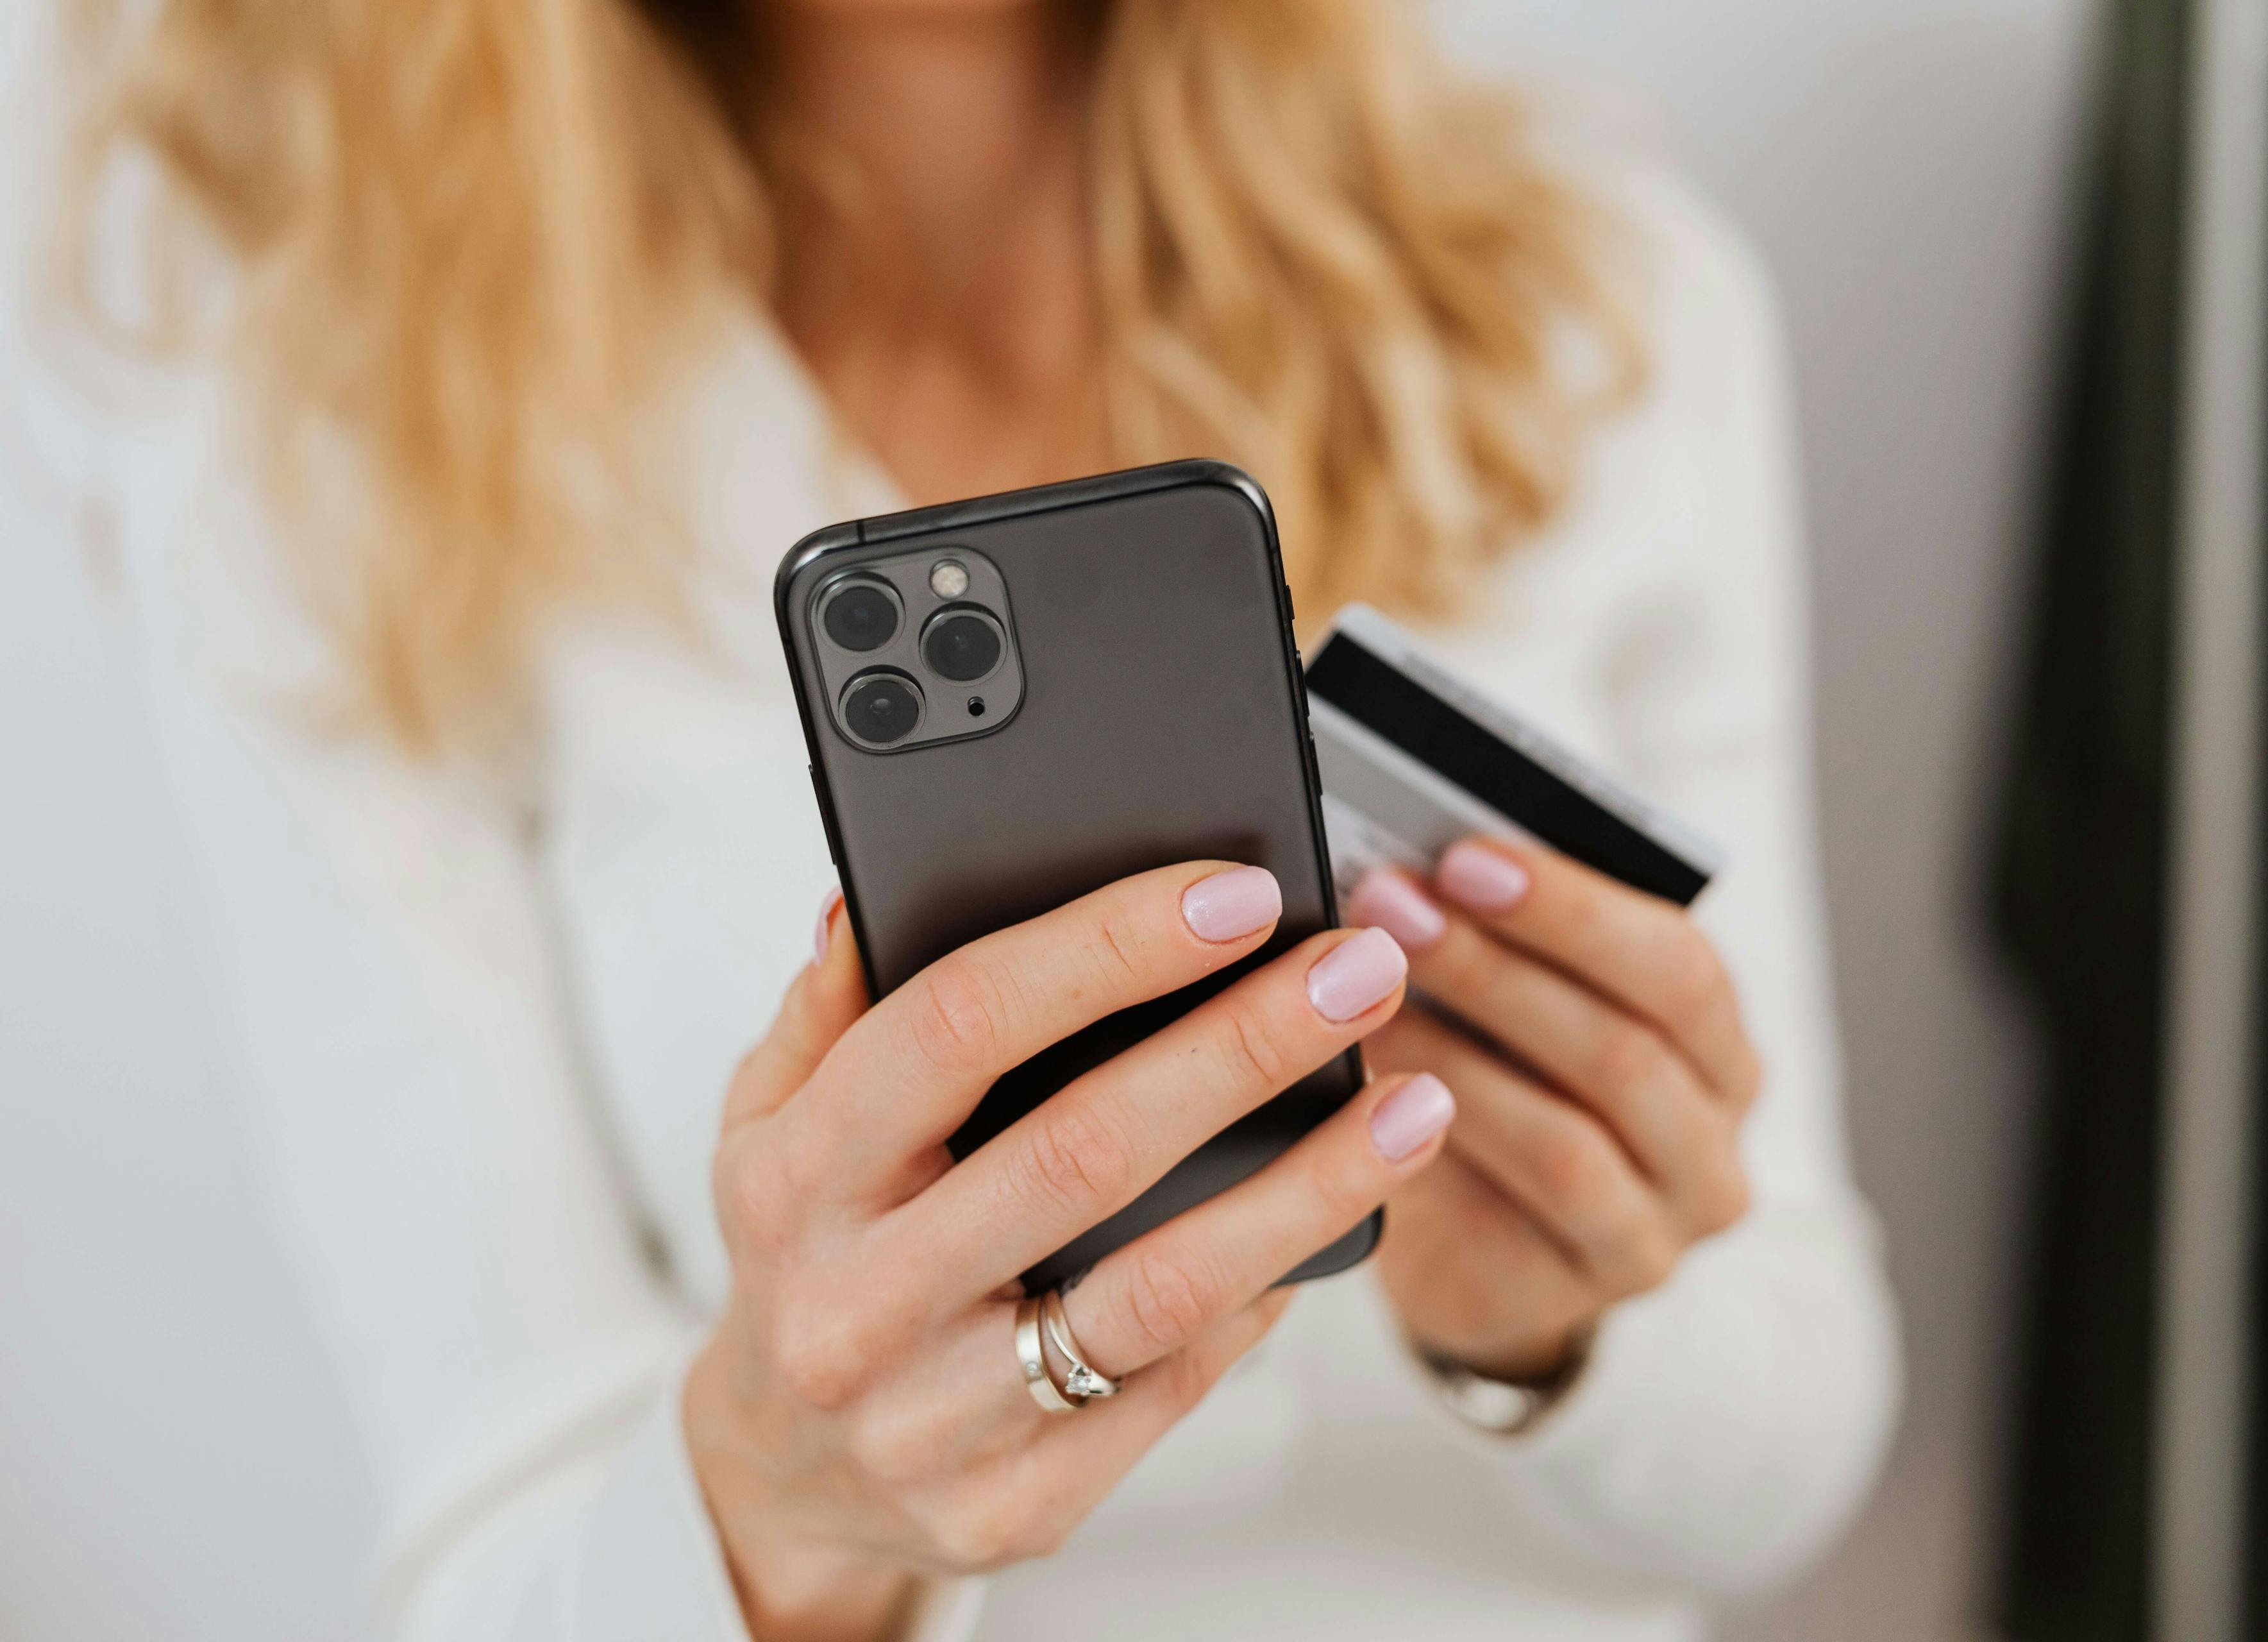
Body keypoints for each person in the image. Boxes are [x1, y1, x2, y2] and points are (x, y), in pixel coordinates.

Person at [73, 1, 1899, 1638]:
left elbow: (1792, 1460)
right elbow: (482, 1574)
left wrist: (1559, 1328)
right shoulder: (339, 443)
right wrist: (777, 1501)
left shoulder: (1609, 315)